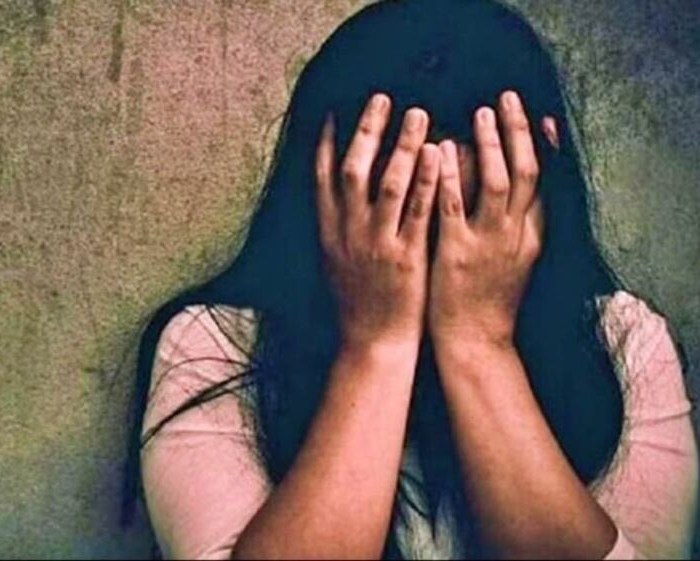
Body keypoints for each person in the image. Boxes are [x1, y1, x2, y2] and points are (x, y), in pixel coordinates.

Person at [122, 0, 699, 558]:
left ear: (539, 173)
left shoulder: (624, 341)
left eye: (476, 207)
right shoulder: (216, 344)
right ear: (323, 184)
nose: (431, 249)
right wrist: (376, 346)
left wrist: (479, 343)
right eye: (394, 205)